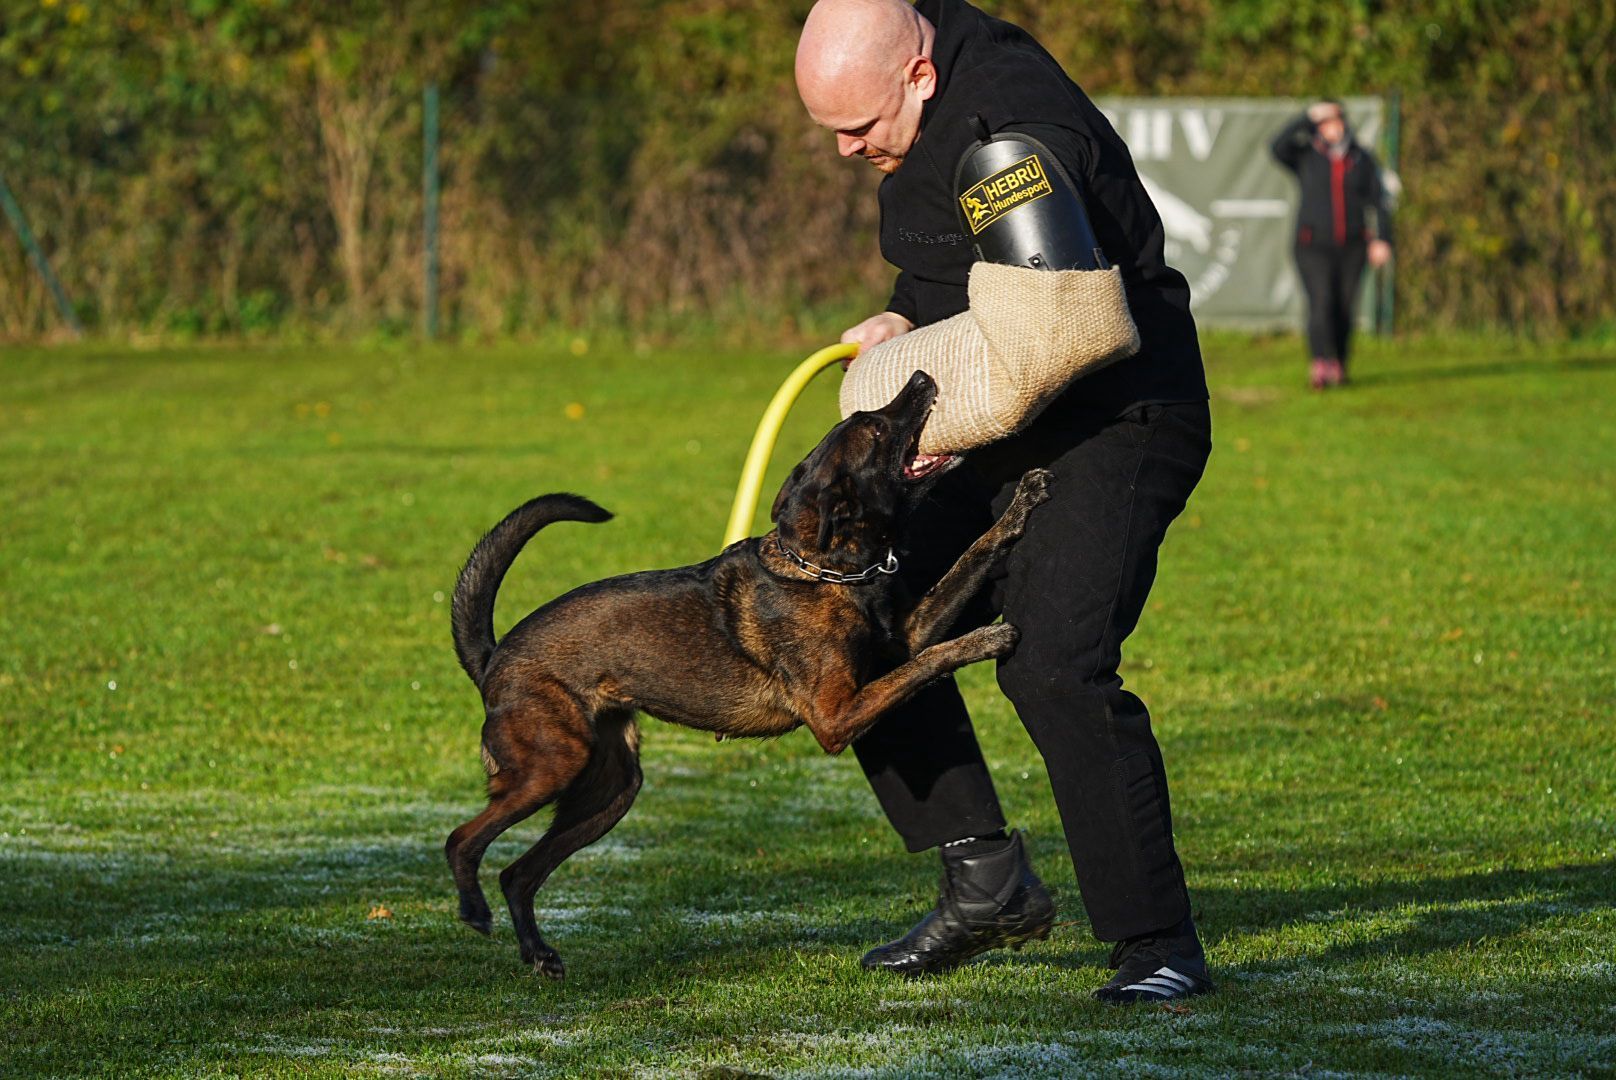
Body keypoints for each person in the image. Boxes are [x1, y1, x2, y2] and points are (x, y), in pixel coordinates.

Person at [794, 0, 1214, 1003]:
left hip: (1115, 414)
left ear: (921, 76)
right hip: (1004, 418)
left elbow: (1062, 336)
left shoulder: (1010, 139)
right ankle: (984, 882)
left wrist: (935, 411)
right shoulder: (918, 108)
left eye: (859, 126)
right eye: (833, 130)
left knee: (1053, 663)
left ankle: (1155, 946)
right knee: (856, 622)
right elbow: (950, 269)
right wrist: (901, 315)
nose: (846, 148)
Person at [1270, 100, 1394, 389]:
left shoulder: (1361, 158)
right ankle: (1320, 363)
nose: (1331, 126)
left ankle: (1339, 362)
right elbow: (1276, 147)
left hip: (1353, 247)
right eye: (1324, 121)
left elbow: (1379, 201)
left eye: (1335, 119)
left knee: (1344, 307)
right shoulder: (1306, 155)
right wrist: (1306, 117)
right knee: (1321, 302)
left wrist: (1382, 239)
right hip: (1312, 245)